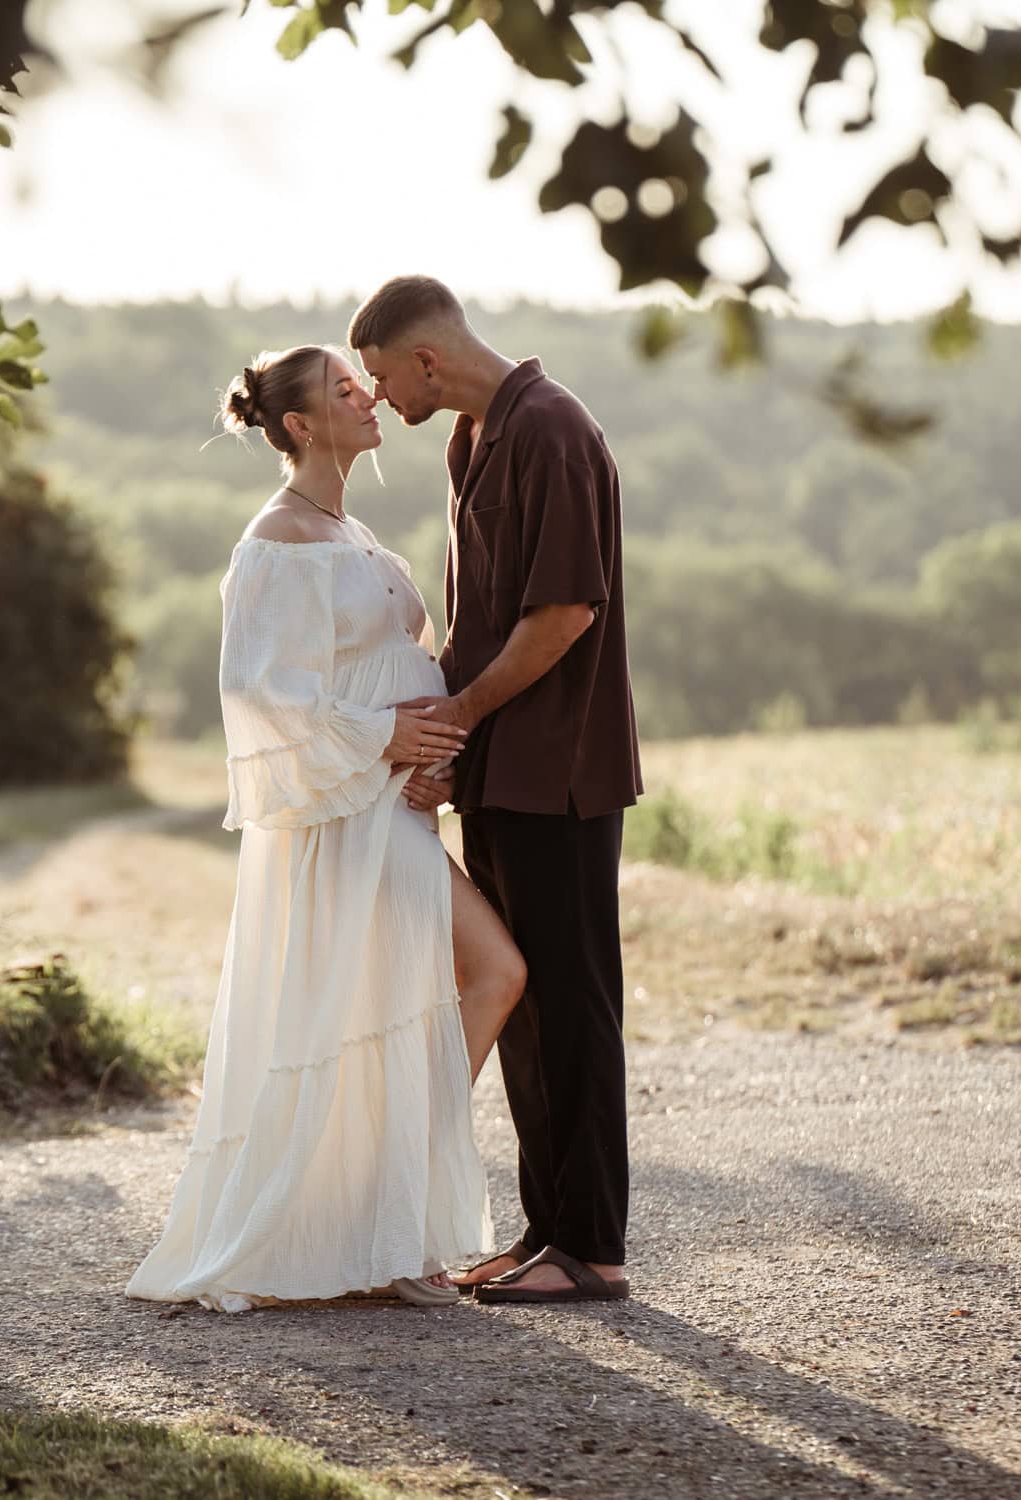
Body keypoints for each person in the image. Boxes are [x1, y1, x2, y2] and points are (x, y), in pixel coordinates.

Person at [125, 343, 527, 1312]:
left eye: (363, 381)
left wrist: (430, 753)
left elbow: (389, 661)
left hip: (390, 807)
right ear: (301, 424)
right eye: (345, 390)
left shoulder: (353, 534)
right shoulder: (277, 539)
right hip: (345, 818)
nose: (367, 394)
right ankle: (375, 1223)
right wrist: (387, 738)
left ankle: (380, 1219)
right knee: (494, 973)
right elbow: (259, 694)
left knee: (419, 997)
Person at [351, 277, 642, 1305]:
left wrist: (459, 717)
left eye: (382, 376)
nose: (377, 398)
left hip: (560, 771)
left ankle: (593, 1249)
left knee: (573, 1005)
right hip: (496, 773)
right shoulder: (469, 442)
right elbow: (480, 620)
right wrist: (443, 742)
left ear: (427, 359)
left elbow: (562, 615)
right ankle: (546, 1232)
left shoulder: (554, 429)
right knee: (522, 1002)